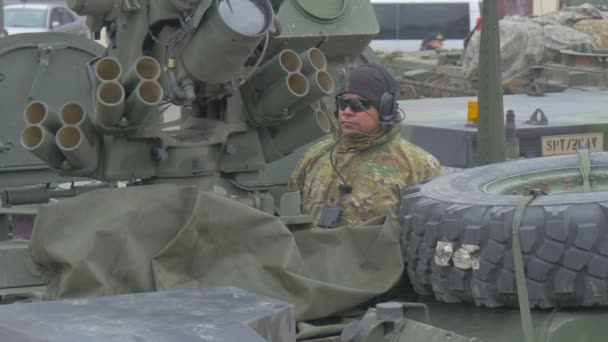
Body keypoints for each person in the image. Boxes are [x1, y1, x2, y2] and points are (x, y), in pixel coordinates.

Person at [290, 64, 443, 228]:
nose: (347, 111)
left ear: (385, 108)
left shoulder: (418, 166)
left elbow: (430, 232)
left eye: (359, 104)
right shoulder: (316, 155)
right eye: (342, 103)